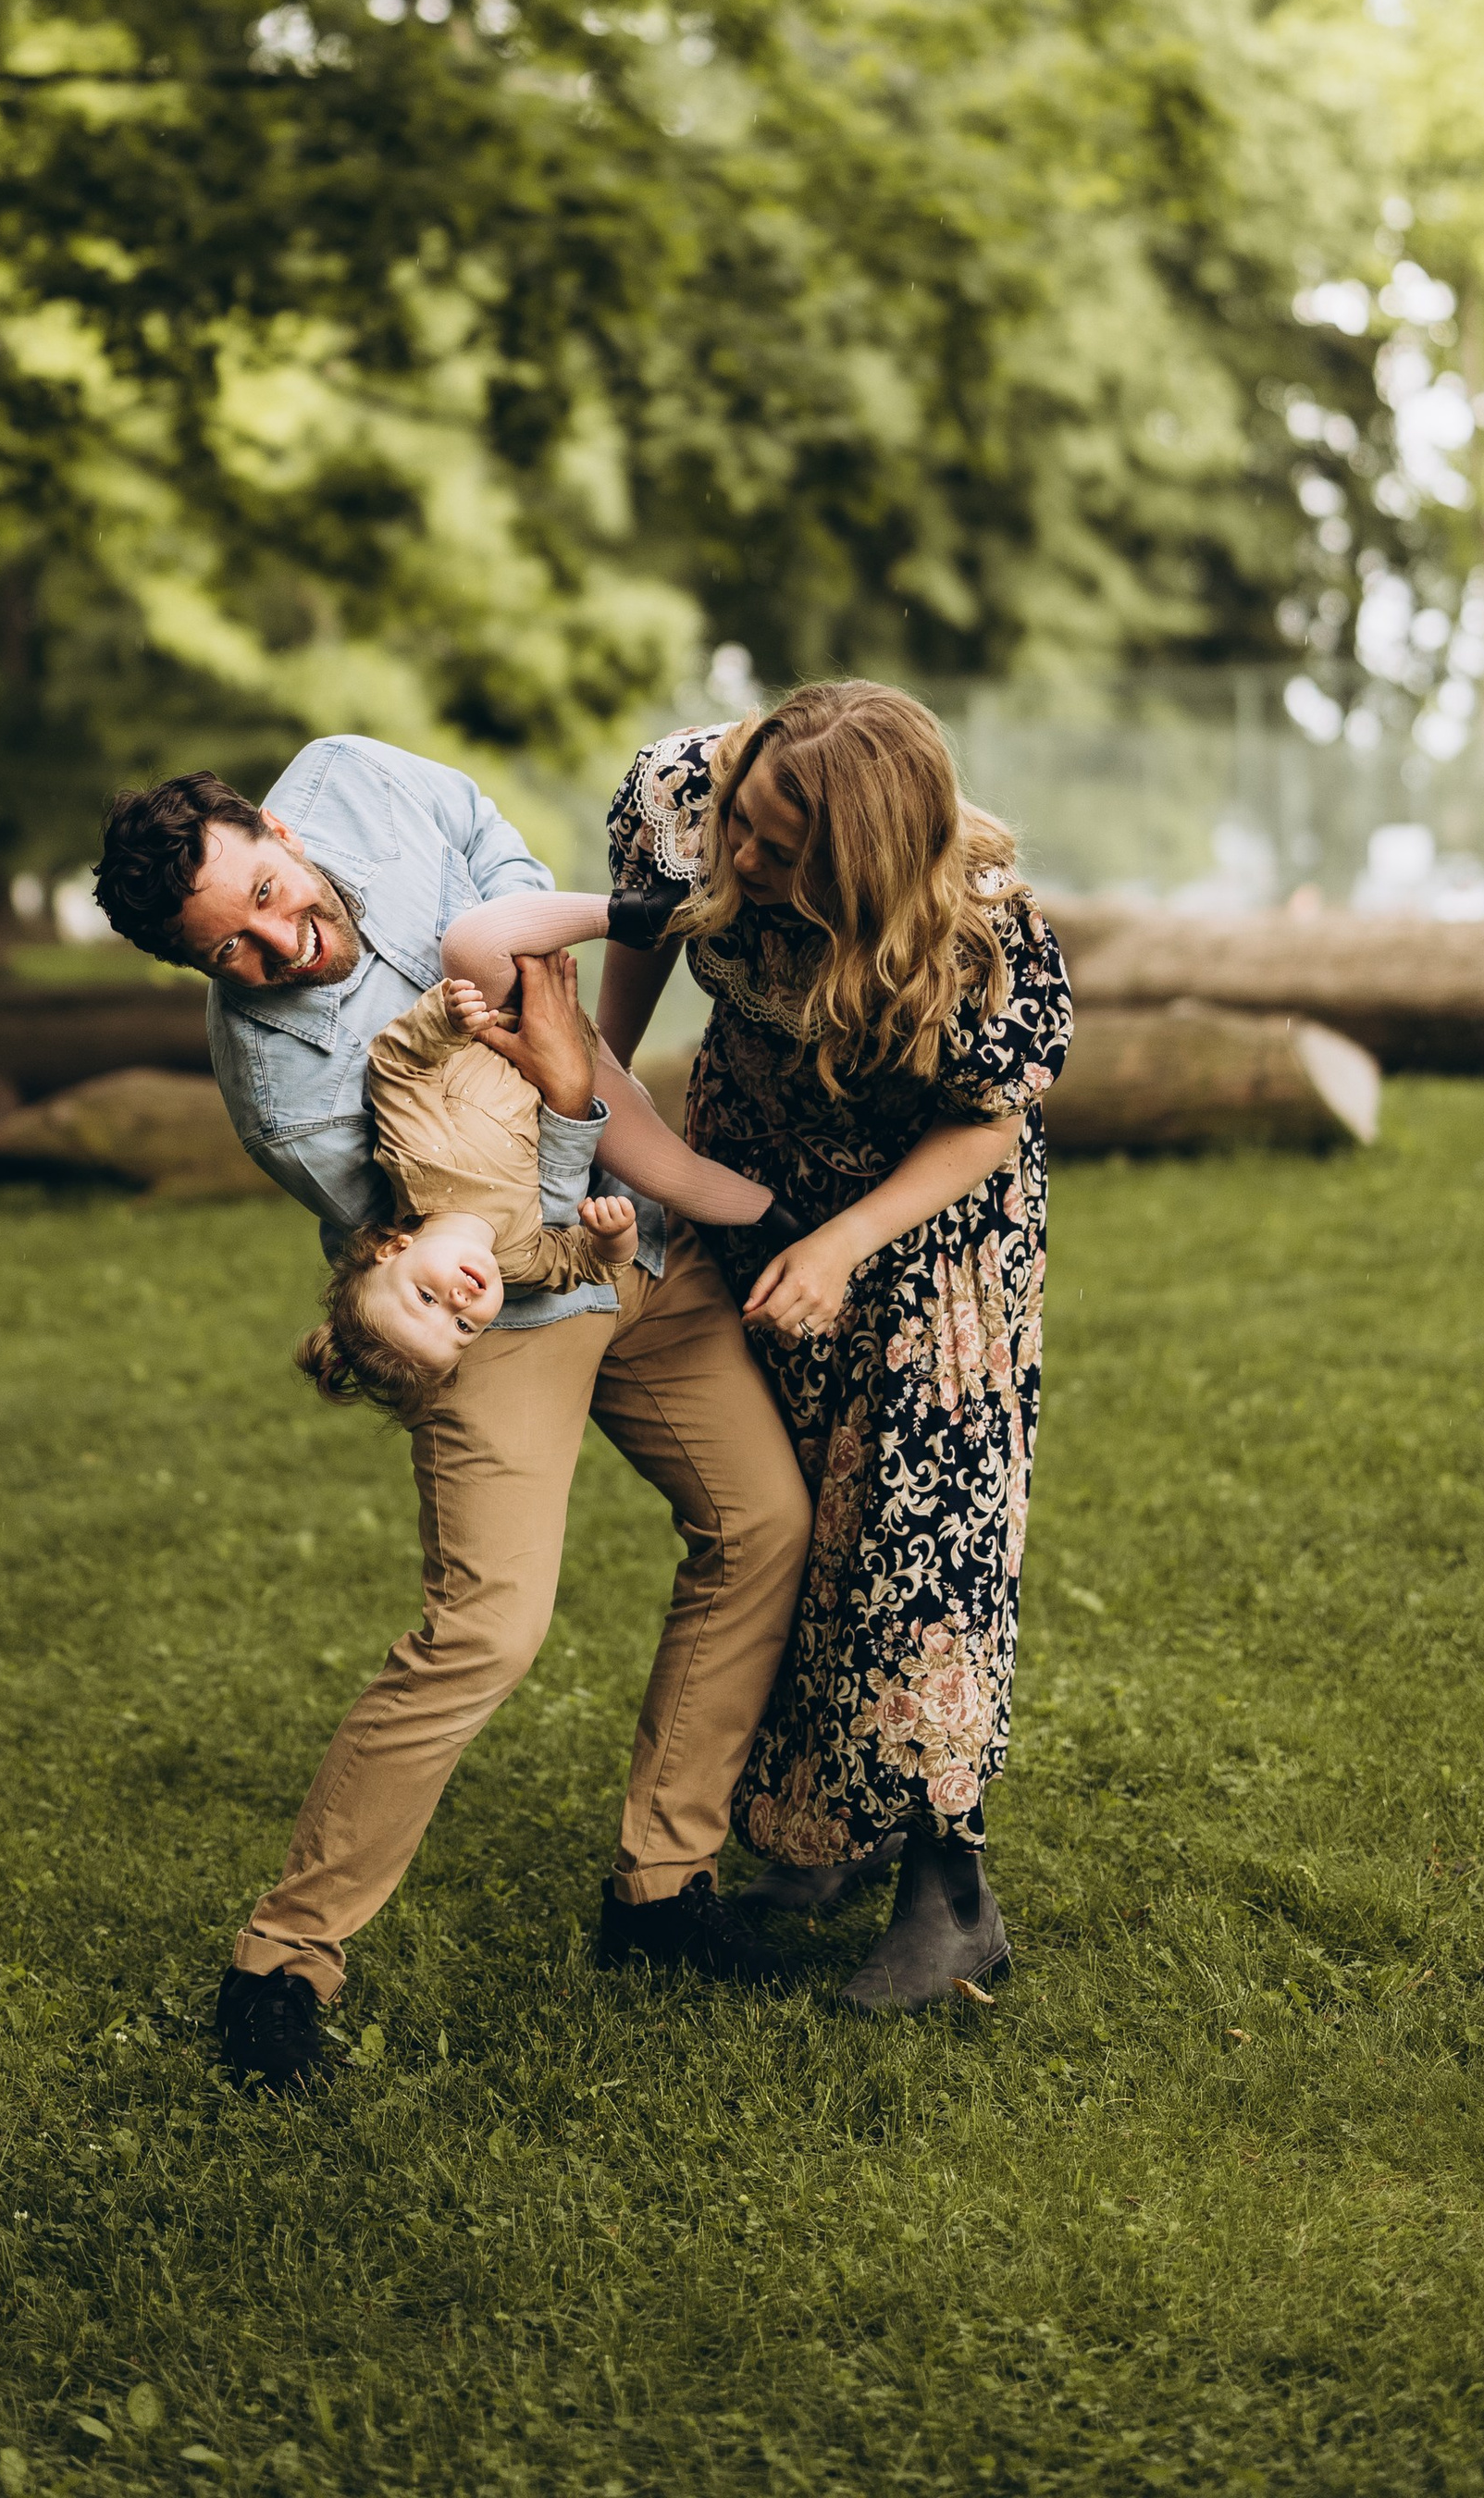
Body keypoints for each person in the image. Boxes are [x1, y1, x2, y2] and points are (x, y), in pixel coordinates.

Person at [92, 743, 811, 2094]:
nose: (278, 945)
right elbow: (469, 1235)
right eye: (229, 952)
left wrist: (531, 981)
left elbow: (492, 845)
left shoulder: (357, 777)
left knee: (763, 1522)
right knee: (485, 1629)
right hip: (502, 1301)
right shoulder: (284, 1096)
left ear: (281, 830)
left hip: (641, 1248)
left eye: (267, 894)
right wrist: (569, 1086)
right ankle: (282, 1963)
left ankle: (664, 1888)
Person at [598, 682, 1072, 2016]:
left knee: (917, 1544)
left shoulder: (979, 928)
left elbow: (986, 1122)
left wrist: (844, 1246)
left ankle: (948, 1897)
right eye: (745, 822)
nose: (741, 858)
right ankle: (821, 1834)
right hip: (746, 1170)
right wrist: (587, 1115)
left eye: (783, 851)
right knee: (799, 1511)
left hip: (925, 1226)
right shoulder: (679, 799)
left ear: (865, 866)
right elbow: (631, 968)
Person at [297, 893, 774, 1415]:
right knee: (668, 1176)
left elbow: (396, 1066)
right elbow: (583, 1263)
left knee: (472, 946)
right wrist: (615, 1239)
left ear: (393, 1250)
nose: (458, 1303)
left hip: (503, 1013)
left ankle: (653, 911)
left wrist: (445, 1020)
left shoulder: (418, 1165)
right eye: (462, 1328)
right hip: (575, 1074)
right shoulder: (519, 1261)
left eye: (425, 1299)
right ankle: (783, 1217)